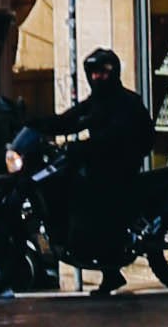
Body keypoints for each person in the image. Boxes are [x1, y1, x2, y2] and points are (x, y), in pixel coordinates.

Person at [46, 44, 156, 297]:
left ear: (114, 72)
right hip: (100, 163)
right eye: (94, 72)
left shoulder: (125, 102)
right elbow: (71, 119)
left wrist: (82, 147)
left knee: (96, 205)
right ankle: (105, 267)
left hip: (120, 167)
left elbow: (113, 136)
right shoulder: (97, 101)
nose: (98, 77)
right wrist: (37, 126)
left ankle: (111, 268)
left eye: (104, 72)